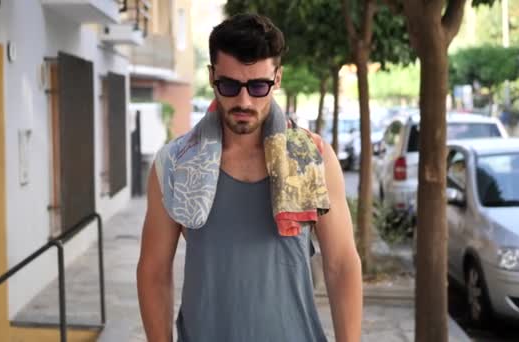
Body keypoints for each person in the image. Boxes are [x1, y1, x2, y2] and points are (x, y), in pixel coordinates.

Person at [137, 13, 362, 342]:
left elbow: (341, 264)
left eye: (258, 86)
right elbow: (154, 271)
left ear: (278, 78)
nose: (243, 101)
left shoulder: (312, 157)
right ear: (212, 77)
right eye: (229, 85)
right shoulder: (174, 164)